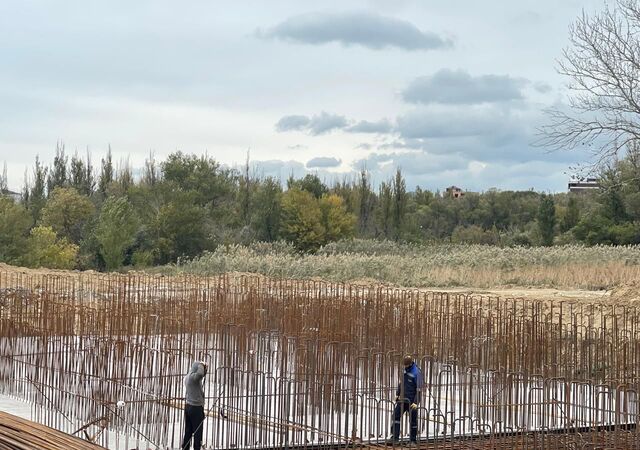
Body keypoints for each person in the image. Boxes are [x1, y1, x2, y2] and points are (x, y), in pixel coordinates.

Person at [389, 355, 423, 446]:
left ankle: (413, 441)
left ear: (410, 363)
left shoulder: (417, 372)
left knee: (413, 421)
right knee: (395, 416)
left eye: (406, 365)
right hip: (402, 400)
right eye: (404, 365)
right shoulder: (404, 370)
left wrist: (416, 402)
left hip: (412, 401)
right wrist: (397, 394)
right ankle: (395, 438)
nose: (405, 366)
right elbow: (401, 383)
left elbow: (419, 389)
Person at [182, 361, 207, 450]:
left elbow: (200, 375)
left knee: (188, 431)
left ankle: (185, 447)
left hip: (188, 406)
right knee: (198, 432)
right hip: (196, 408)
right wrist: (201, 364)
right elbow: (200, 374)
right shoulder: (193, 378)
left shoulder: (188, 377)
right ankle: (197, 448)